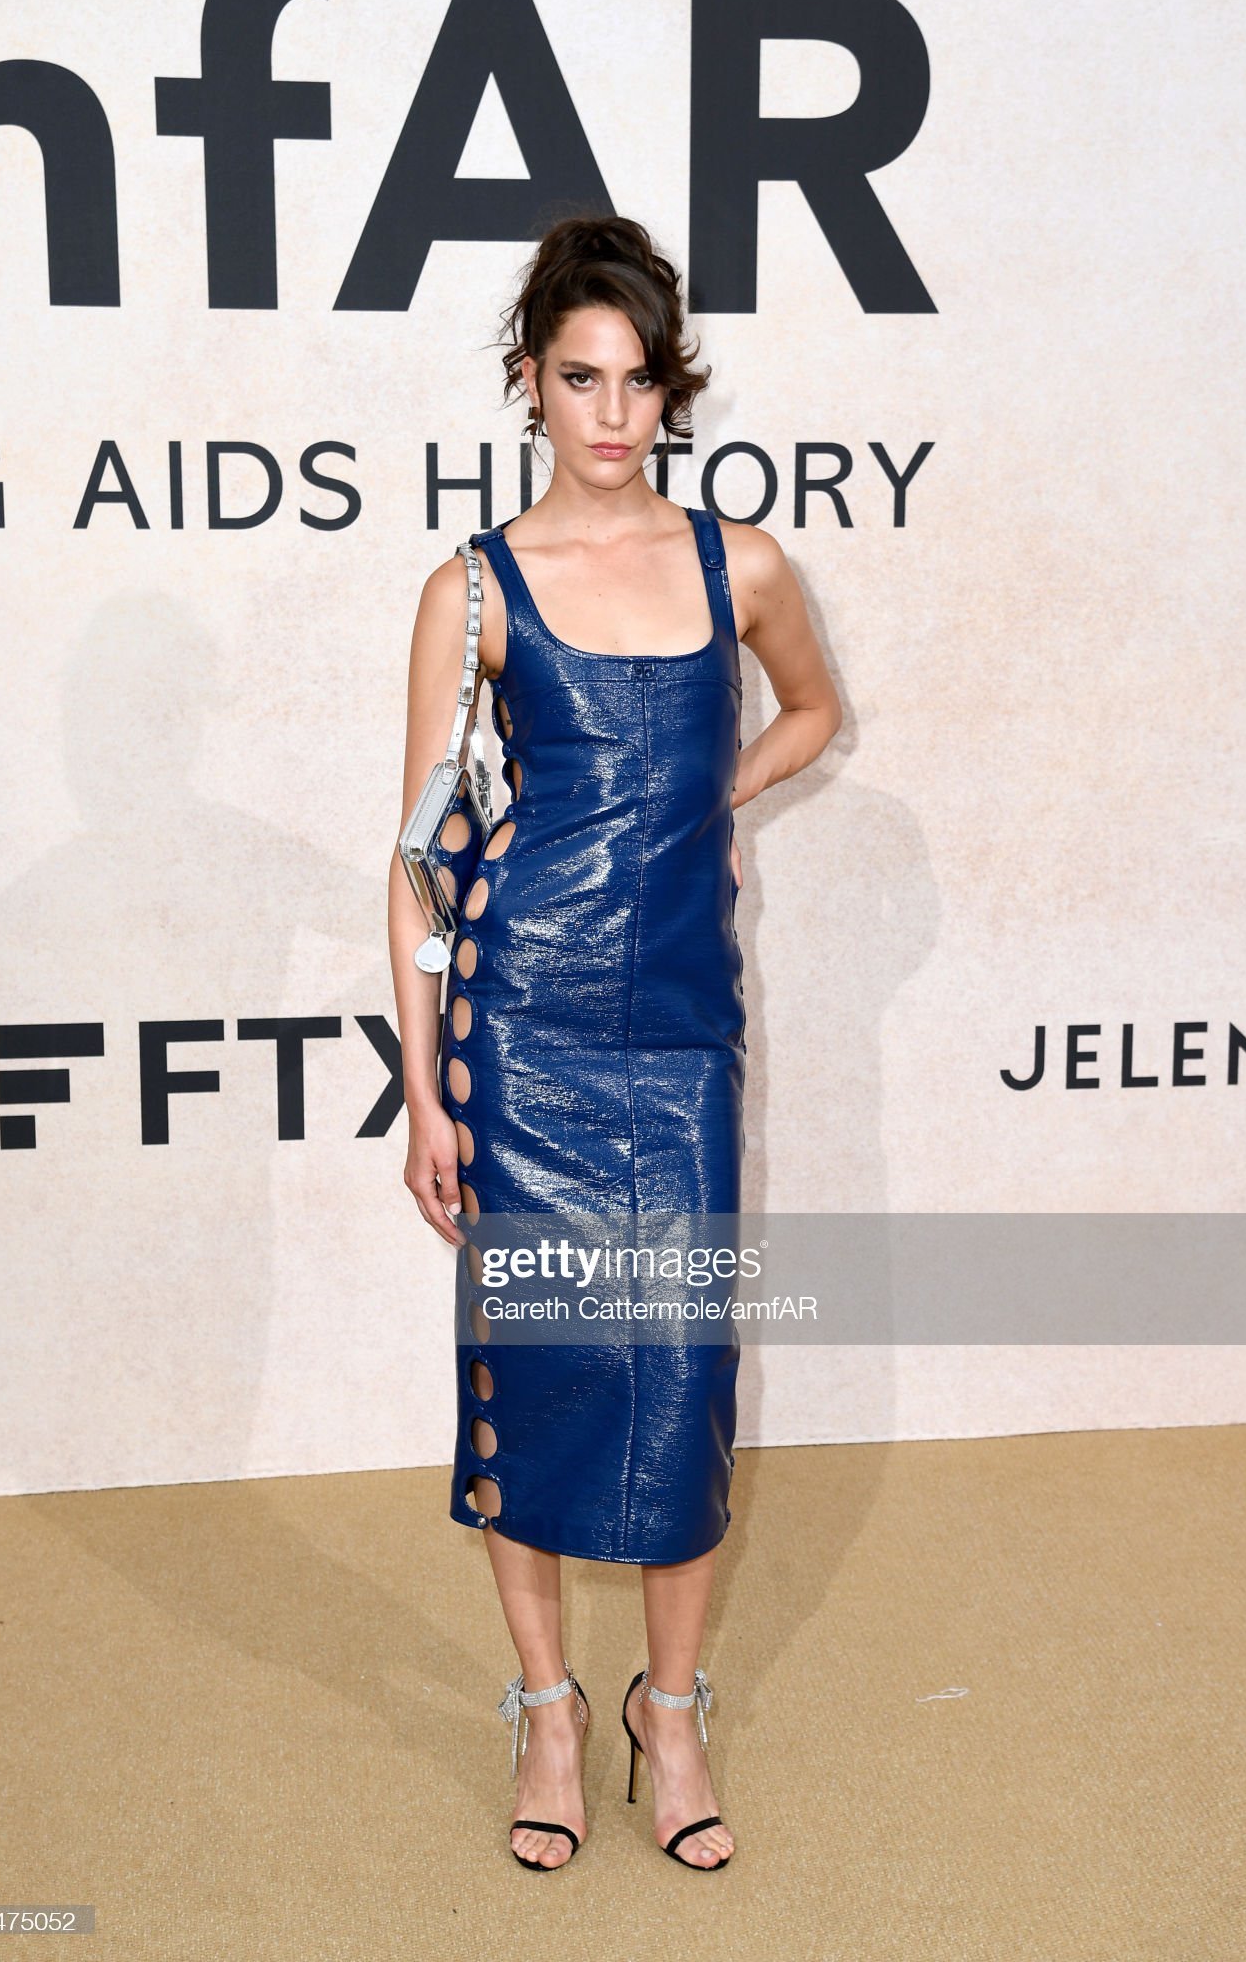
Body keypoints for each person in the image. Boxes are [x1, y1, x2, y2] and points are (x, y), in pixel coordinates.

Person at [389, 215, 841, 1871]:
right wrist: (426, 1090)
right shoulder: (472, 588)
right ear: (529, 381)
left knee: (680, 1376)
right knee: (535, 1371)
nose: (611, 413)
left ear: (669, 391)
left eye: (639, 382)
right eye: (580, 378)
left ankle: (670, 1709)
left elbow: (813, 711)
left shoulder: (743, 566)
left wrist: (708, 799)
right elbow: (420, 854)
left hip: (679, 1033)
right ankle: (548, 1712)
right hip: (519, 1027)